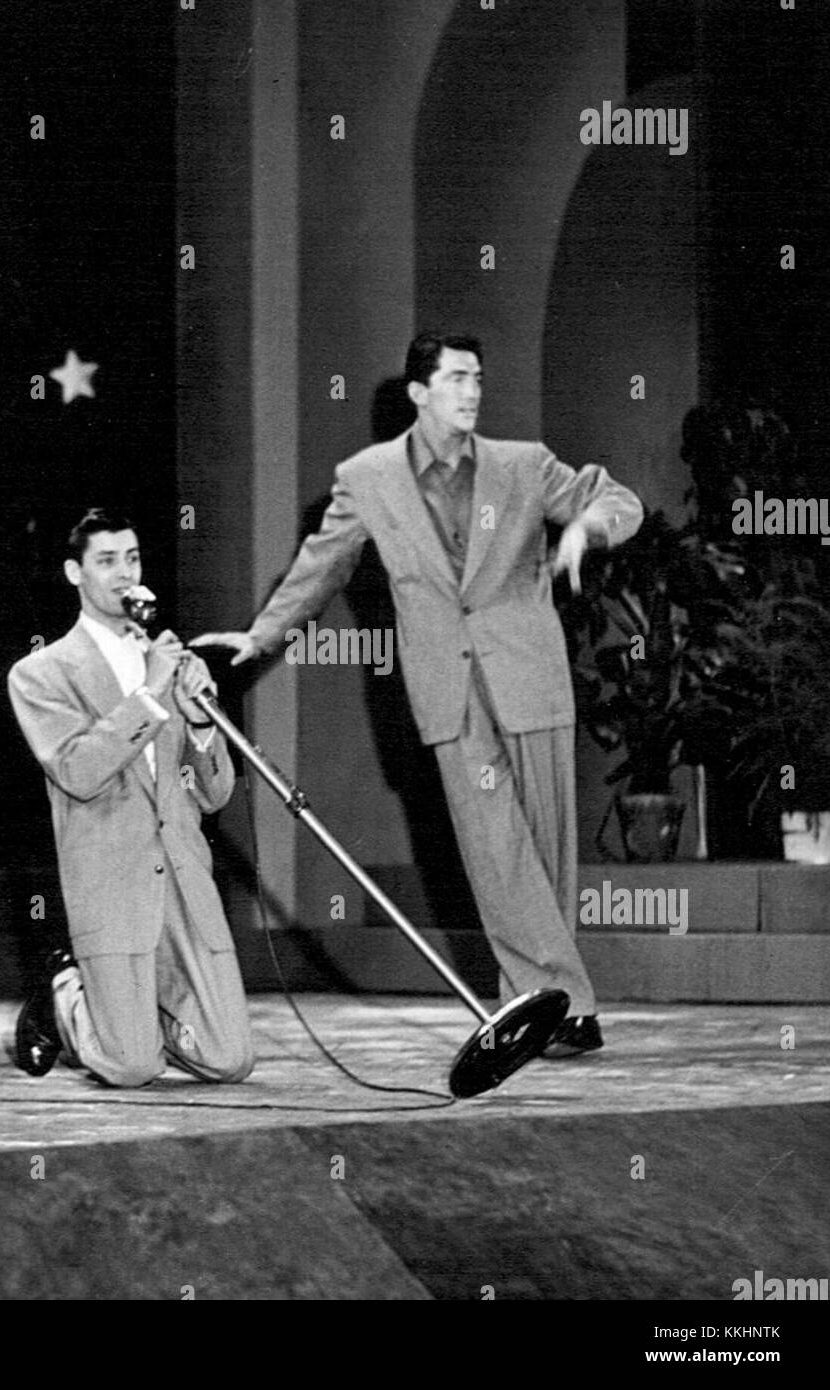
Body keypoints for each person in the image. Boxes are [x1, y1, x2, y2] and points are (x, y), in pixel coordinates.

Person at [194, 330, 643, 1057]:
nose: (472, 391)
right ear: (418, 392)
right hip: (447, 690)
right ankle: (568, 1001)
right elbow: (320, 565)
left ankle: (539, 1004)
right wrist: (261, 635)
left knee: (544, 848)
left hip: (529, 675)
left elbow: (614, 498)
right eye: (458, 378)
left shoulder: (522, 465)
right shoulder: (367, 478)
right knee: (494, 849)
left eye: (477, 379)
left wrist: (584, 532)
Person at [8, 508, 254, 1087]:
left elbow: (213, 795)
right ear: (75, 573)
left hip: (184, 884)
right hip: (112, 886)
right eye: (107, 561)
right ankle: (65, 996)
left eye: (133, 558)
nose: (124, 574)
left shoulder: (176, 662)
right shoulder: (41, 674)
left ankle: (137, 1020)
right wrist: (148, 692)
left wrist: (200, 727)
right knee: (132, 1068)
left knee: (229, 1061)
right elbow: (79, 771)